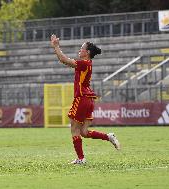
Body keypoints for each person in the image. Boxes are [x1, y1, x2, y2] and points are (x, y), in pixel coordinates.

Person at [50, 34, 120, 165]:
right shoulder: (88, 63)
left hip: (81, 98)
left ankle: (81, 159)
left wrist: (56, 46)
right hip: (89, 99)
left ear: (87, 52)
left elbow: (63, 60)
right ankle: (108, 137)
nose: (80, 50)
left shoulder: (83, 63)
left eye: (82, 48)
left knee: (74, 129)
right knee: (84, 132)